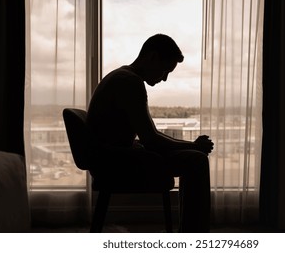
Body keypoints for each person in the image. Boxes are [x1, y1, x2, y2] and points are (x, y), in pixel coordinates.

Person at [86, 34, 214, 232]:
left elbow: (150, 136)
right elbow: (152, 140)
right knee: (196, 160)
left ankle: (191, 232)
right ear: (152, 57)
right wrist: (194, 146)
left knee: (193, 156)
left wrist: (191, 146)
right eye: (165, 70)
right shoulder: (129, 82)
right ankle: (195, 235)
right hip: (115, 164)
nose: (164, 78)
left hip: (110, 158)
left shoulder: (121, 77)